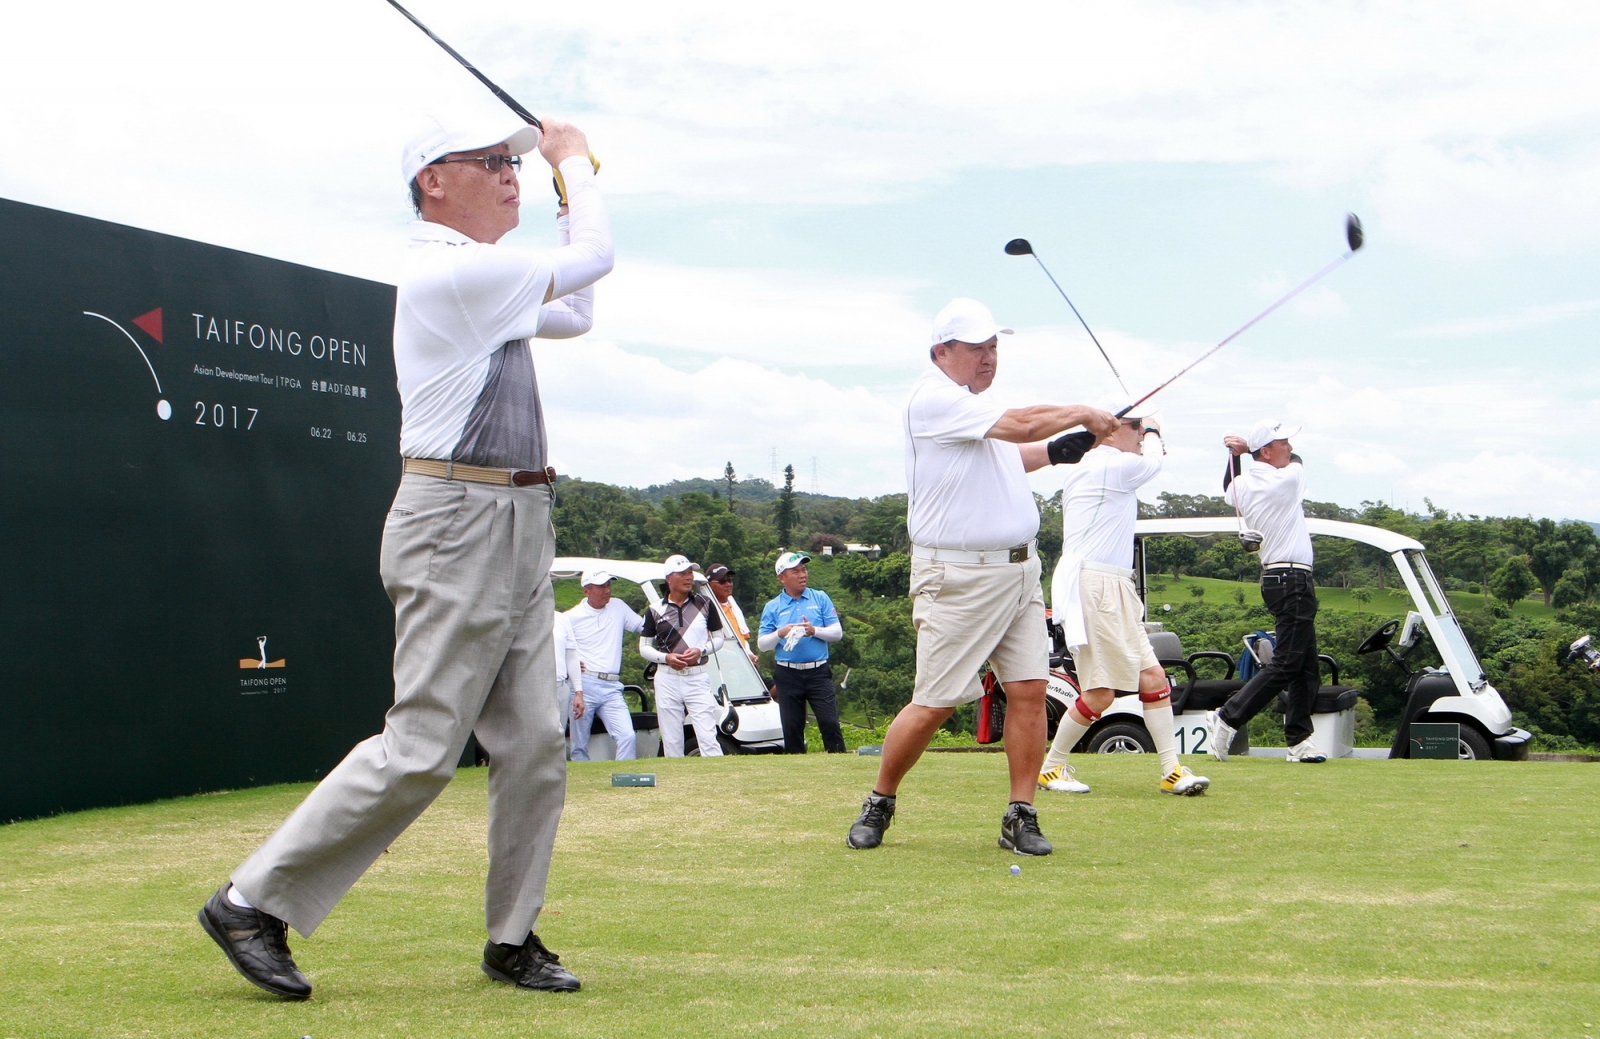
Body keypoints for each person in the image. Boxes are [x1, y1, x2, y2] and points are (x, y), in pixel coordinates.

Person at [197, 111, 612, 999]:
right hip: (457, 514)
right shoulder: (444, 270)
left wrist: (561, 185)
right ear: (434, 181)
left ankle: (513, 935)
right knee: (423, 744)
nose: (511, 175)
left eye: (516, 163)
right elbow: (593, 261)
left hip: (519, 515)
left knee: (537, 743)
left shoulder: (483, 279)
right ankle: (247, 900)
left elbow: (575, 307)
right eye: (491, 163)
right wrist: (572, 165)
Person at [846, 298, 1116, 855]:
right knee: (936, 702)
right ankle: (880, 798)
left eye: (993, 347)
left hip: (1019, 572)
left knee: (1029, 691)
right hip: (958, 578)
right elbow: (1018, 423)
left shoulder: (971, 406)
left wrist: (1057, 450)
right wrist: (1083, 414)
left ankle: (1021, 814)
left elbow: (1009, 453)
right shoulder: (934, 399)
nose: (988, 358)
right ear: (942, 351)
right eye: (976, 349)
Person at [1040, 406, 1210, 797]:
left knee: (1153, 678)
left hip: (1114, 584)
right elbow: (1152, 464)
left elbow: (1149, 461)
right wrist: (1154, 428)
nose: (1138, 433)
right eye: (1132, 426)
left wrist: (1147, 430)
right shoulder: (1104, 465)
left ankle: (1171, 770)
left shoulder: (1108, 464)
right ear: (1108, 432)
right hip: (1095, 584)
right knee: (1100, 693)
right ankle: (1052, 766)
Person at [1205, 420, 1329, 764]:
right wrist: (1246, 451)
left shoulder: (1244, 484)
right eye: (1282, 443)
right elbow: (1298, 462)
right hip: (1292, 580)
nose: (1289, 448)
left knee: (1306, 666)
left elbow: (1229, 485)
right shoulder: (1287, 478)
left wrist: (1238, 456)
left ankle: (1299, 740)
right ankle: (1228, 716)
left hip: (1279, 580)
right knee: (1289, 662)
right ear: (1267, 451)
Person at [758, 552, 847, 753]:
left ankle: (840, 764)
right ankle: (796, 772)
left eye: (804, 569)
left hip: (818, 671)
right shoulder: (772, 607)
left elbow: (837, 632)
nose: (802, 575)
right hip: (787, 674)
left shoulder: (820, 597)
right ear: (782, 577)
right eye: (795, 571)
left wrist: (813, 630)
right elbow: (763, 644)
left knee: (830, 722)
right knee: (792, 727)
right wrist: (780, 633)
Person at [640, 555, 726, 756]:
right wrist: (666, 658)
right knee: (671, 740)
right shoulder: (654, 610)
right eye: (683, 573)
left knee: (707, 735)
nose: (689, 578)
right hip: (667, 677)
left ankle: (720, 781)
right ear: (669, 578)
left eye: (690, 573)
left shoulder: (705, 603)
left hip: (697, 676)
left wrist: (700, 650)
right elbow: (644, 647)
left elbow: (718, 638)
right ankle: (676, 785)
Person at [566, 569, 644, 762]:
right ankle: (583, 786)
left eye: (608, 585)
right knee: (579, 745)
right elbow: (558, 647)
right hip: (584, 684)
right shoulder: (571, 617)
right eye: (601, 586)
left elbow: (643, 627)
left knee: (627, 735)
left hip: (612, 686)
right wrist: (572, 667)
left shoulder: (618, 606)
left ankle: (625, 779)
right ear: (586, 590)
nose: (607, 590)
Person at [707, 564, 759, 665]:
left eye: (729, 580)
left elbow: (741, 636)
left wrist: (749, 654)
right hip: (723, 663)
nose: (728, 584)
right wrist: (741, 657)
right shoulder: (707, 609)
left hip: (742, 660)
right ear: (709, 585)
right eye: (722, 581)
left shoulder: (732, 604)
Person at [553, 609, 585, 740]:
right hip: (531, 687)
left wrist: (578, 692)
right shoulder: (520, 617)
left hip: (559, 685)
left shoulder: (561, 619)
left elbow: (571, 657)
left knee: (558, 737)